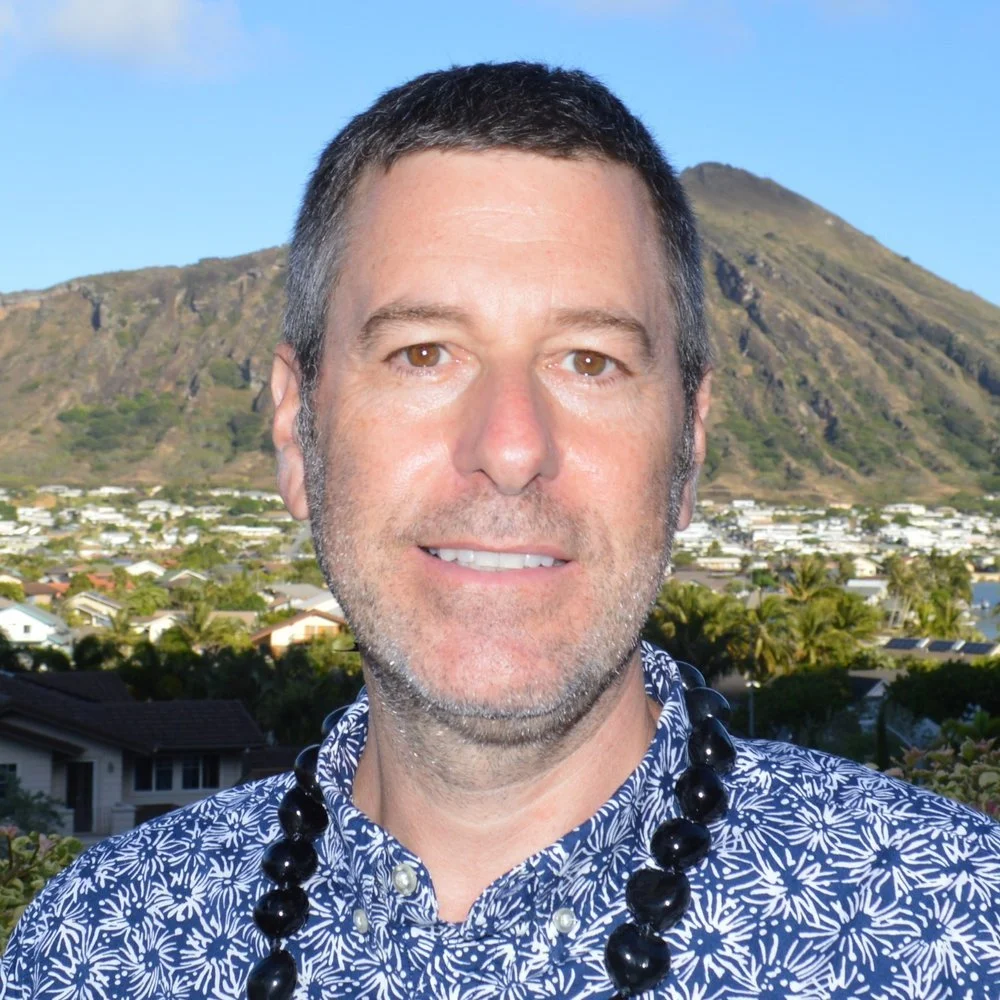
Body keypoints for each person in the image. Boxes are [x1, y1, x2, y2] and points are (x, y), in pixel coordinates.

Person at [2, 62, 998, 1000]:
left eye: (590, 361)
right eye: (424, 352)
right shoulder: (98, 943)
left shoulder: (952, 930)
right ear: (294, 425)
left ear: (688, 443)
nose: (512, 447)